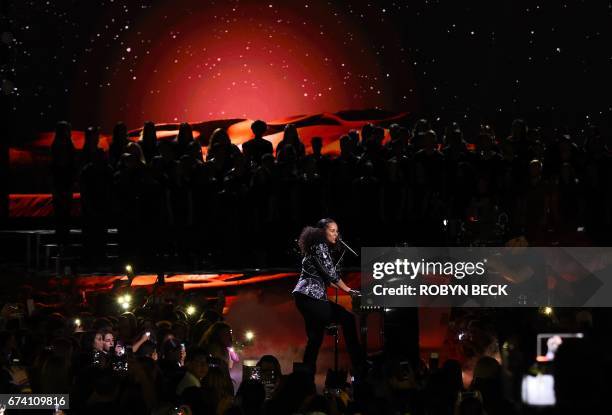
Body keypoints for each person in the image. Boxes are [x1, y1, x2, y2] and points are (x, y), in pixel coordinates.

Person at [292, 218, 364, 375]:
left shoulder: (315, 247)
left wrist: (344, 288)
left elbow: (327, 278)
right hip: (311, 297)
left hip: (304, 298)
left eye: (337, 231)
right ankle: (360, 365)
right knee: (347, 319)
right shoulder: (319, 246)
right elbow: (332, 275)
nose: (336, 234)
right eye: (332, 231)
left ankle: (306, 377)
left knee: (315, 339)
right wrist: (349, 290)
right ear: (321, 231)